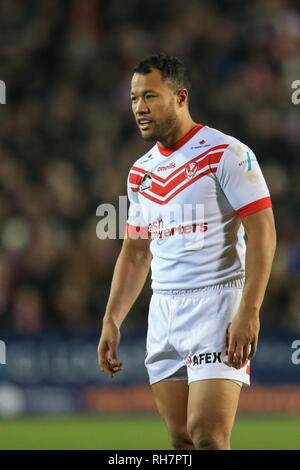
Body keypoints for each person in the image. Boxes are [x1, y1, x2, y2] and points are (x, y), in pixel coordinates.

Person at [98, 53, 276, 450]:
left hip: (218, 305)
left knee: (208, 435)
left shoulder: (226, 153)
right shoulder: (140, 173)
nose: (139, 108)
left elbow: (263, 232)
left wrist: (250, 309)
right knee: (181, 441)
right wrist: (112, 319)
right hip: (164, 310)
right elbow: (136, 253)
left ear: (180, 97)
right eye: (133, 98)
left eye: (150, 96)